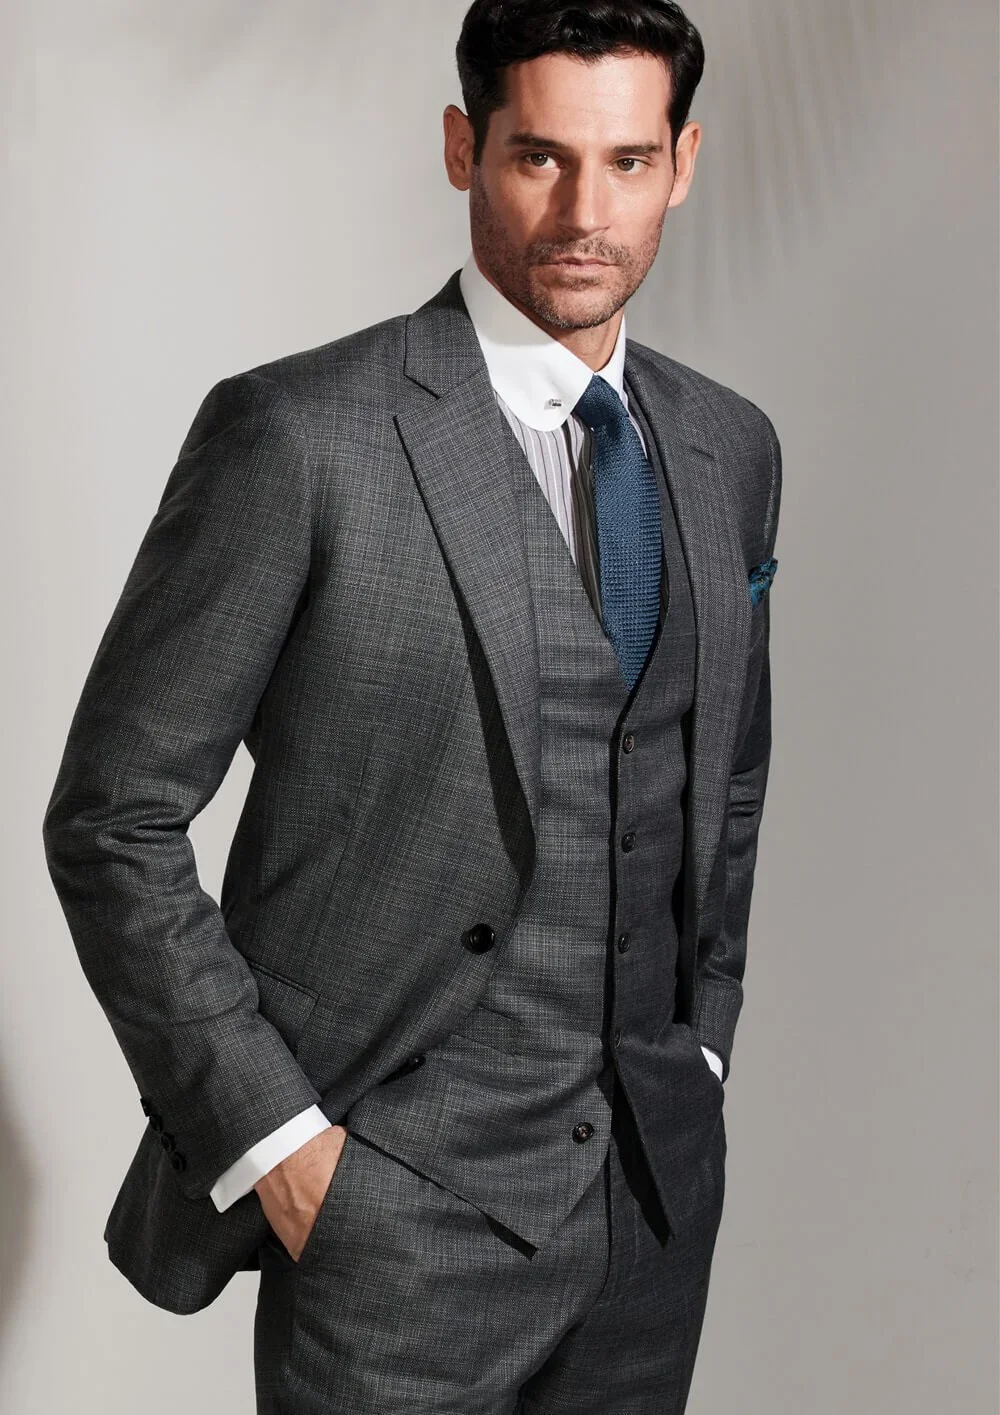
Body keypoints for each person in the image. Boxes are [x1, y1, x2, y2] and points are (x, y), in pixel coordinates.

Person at [42, 1, 782, 1410]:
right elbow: (113, 820)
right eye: (540, 157)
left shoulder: (728, 446)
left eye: (628, 161)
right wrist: (282, 1146)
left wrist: (703, 1037)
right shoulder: (302, 433)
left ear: (682, 163)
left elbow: (726, 776)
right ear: (463, 148)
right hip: (388, 1215)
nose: (586, 212)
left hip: (655, 1205)